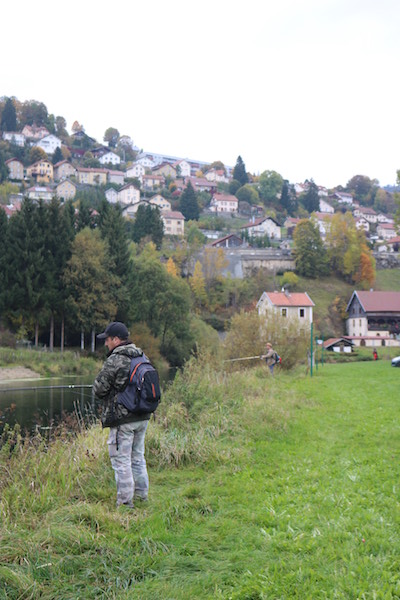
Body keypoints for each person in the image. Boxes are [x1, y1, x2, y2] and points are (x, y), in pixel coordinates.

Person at [93, 321, 151, 509]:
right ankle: (142, 497)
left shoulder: (116, 359)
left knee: (121, 460)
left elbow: (99, 389)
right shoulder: (141, 355)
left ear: (116, 339)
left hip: (123, 419)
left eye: (107, 339)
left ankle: (125, 504)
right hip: (143, 416)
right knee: (138, 458)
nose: (106, 343)